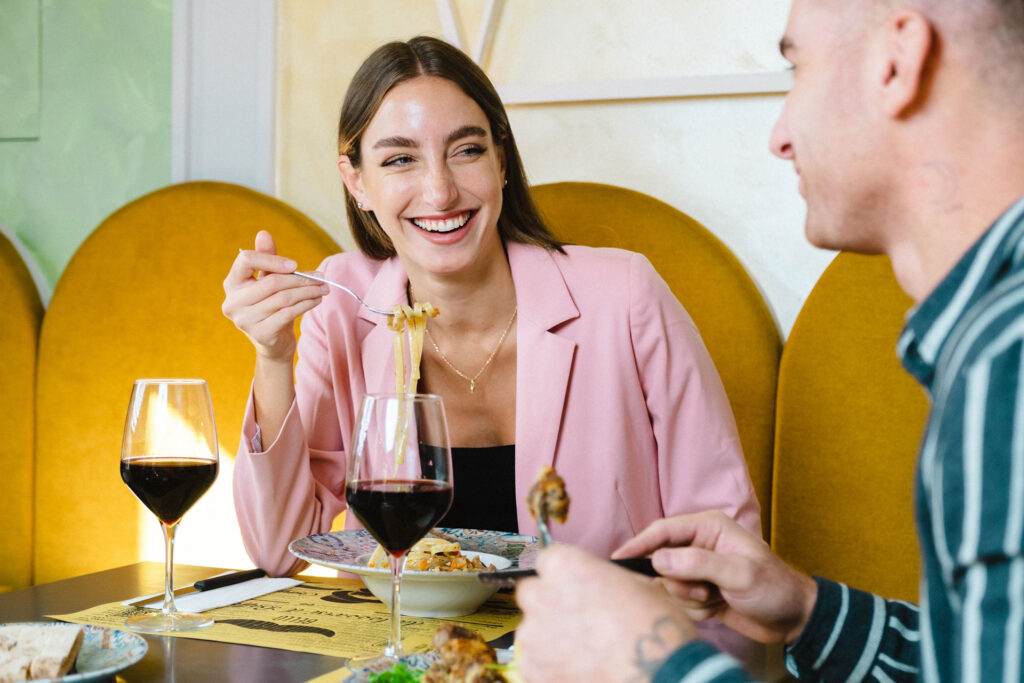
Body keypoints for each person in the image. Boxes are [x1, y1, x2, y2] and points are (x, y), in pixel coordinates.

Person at [515, 0, 1024, 680]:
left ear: (897, 63)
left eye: (796, 69)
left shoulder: (1005, 361)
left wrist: (653, 661)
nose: (779, 137)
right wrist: (809, 611)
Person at [221, 36, 760, 584]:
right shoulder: (340, 302)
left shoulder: (624, 295)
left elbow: (723, 539)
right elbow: (279, 551)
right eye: (400, 159)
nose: (439, 192)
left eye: (467, 150)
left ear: (501, 160)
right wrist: (272, 356)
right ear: (357, 181)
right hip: (406, 656)